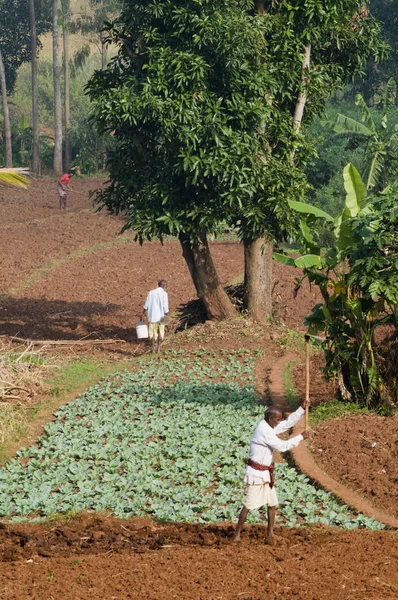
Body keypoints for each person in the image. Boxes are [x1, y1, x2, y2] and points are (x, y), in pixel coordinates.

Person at [233, 401, 310, 544]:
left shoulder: (268, 426)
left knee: (272, 504)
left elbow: (286, 424)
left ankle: (270, 534)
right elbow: (282, 446)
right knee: (249, 505)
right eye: (277, 419)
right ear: (270, 419)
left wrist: (301, 409)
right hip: (256, 473)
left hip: (265, 473)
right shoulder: (264, 431)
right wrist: (301, 437)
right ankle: (236, 535)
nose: (279, 421)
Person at [141, 280, 169, 353]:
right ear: (164, 286)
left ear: (158, 285)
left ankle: (153, 349)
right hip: (162, 316)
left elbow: (146, 305)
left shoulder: (151, 292)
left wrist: (143, 313)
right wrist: (167, 314)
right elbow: (165, 306)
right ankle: (159, 348)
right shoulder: (164, 294)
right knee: (161, 332)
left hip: (152, 316)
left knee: (152, 334)